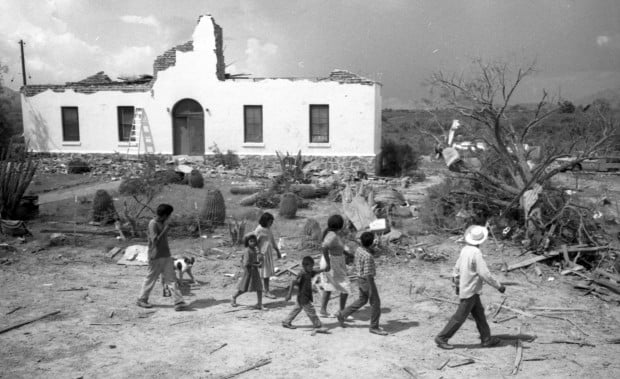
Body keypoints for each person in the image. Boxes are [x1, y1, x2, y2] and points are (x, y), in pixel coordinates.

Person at [434, 225, 506, 350]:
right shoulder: (476, 253)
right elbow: (484, 273)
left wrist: (456, 283)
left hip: (468, 288)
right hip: (470, 289)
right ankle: (442, 337)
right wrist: (498, 286)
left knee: (479, 315)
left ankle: (486, 339)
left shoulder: (465, 249)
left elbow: (456, 268)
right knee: (460, 317)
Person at [136, 204, 189, 311]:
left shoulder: (162, 222)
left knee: (171, 279)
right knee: (151, 278)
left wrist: (166, 227)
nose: (170, 217)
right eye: (169, 215)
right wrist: (165, 230)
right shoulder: (153, 224)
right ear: (165, 215)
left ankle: (178, 302)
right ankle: (142, 299)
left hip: (166, 255)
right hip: (155, 256)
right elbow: (155, 240)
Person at [337, 232, 387, 336]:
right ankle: (374, 327)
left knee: (362, 300)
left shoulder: (359, 250)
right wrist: (372, 288)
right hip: (367, 280)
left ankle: (342, 314)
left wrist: (372, 245)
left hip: (360, 278)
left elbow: (372, 253)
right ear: (371, 242)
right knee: (375, 303)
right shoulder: (368, 256)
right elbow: (368, 274)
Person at [316, 214, 352, 318]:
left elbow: (337, 248)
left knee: (329, 287)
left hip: (335, 261)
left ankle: (323, 311)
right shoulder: (332, 236)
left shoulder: (333, 234)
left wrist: (347, 254)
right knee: (345, 287)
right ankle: (341, 312)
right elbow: (324, 247)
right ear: (340, 225)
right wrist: (328, 263)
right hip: (333, 262)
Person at [281, 256, 328, 333]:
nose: (311, 268)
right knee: (311, 311)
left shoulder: (309, 272)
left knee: (296, 309)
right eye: (310, 266)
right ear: (304, 266)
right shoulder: (302, 274)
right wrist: (289, 294)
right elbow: (293, 282)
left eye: (312, 266)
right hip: (303, 296)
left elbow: (316, 271)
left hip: (303, 296)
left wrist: (324, 269)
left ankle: (286, 321)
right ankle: (318, 325)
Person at [231, 234, 264, 310]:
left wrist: (258, 263)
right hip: (249, 272)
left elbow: (252, 261)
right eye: (251, 241)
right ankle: (234, 297)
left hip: (254, 271)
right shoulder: (247, 251)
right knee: (244, 288)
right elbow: (246, 263)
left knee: (259, 287)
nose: (253, 242)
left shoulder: (254, 250)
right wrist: (256, 265)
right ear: (247, 242)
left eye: (254, 241)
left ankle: (259, 303)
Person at [254, 212, 282, 299]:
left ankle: (263, 289)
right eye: (270, 222)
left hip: (268, 253)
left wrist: (277, 250)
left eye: (272, 222)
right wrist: (258, 253)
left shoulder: (268, 229)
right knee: (265, 273)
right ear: (265, 221)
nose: (271, 224)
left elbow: (272, 240)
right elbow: (253, 242)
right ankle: (266, 291)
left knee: (266, 273)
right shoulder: (259, 230)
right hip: (262, 254)